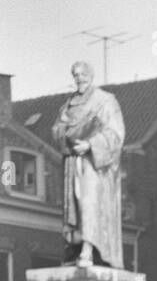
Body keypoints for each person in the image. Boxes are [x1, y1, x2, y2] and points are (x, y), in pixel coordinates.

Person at [52, 60, 125, 268]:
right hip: (72, 161)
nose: (79, 77)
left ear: (91, 75)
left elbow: (116, 133)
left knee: (90, 203)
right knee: (74, 206)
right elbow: (56, 130)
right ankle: (75, 249)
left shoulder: (105, 100)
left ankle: (88, 249)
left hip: (94, 164)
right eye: (75, 74)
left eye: (83, 73)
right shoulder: (67, 105)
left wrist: (91, 144)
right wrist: (63, 133)